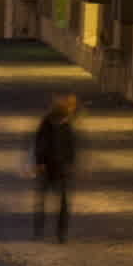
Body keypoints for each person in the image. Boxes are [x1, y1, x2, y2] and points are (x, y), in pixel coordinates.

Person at [32, 95, 80, 241]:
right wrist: (40, 162)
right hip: (49, 166)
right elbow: (41, 144)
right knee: (45, 201)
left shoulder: (65, 124)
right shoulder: (48, 124)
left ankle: (60, 233)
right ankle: (42, 229)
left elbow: (70, 147)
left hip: (60, 167)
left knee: (60, 203)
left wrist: (70, 163)